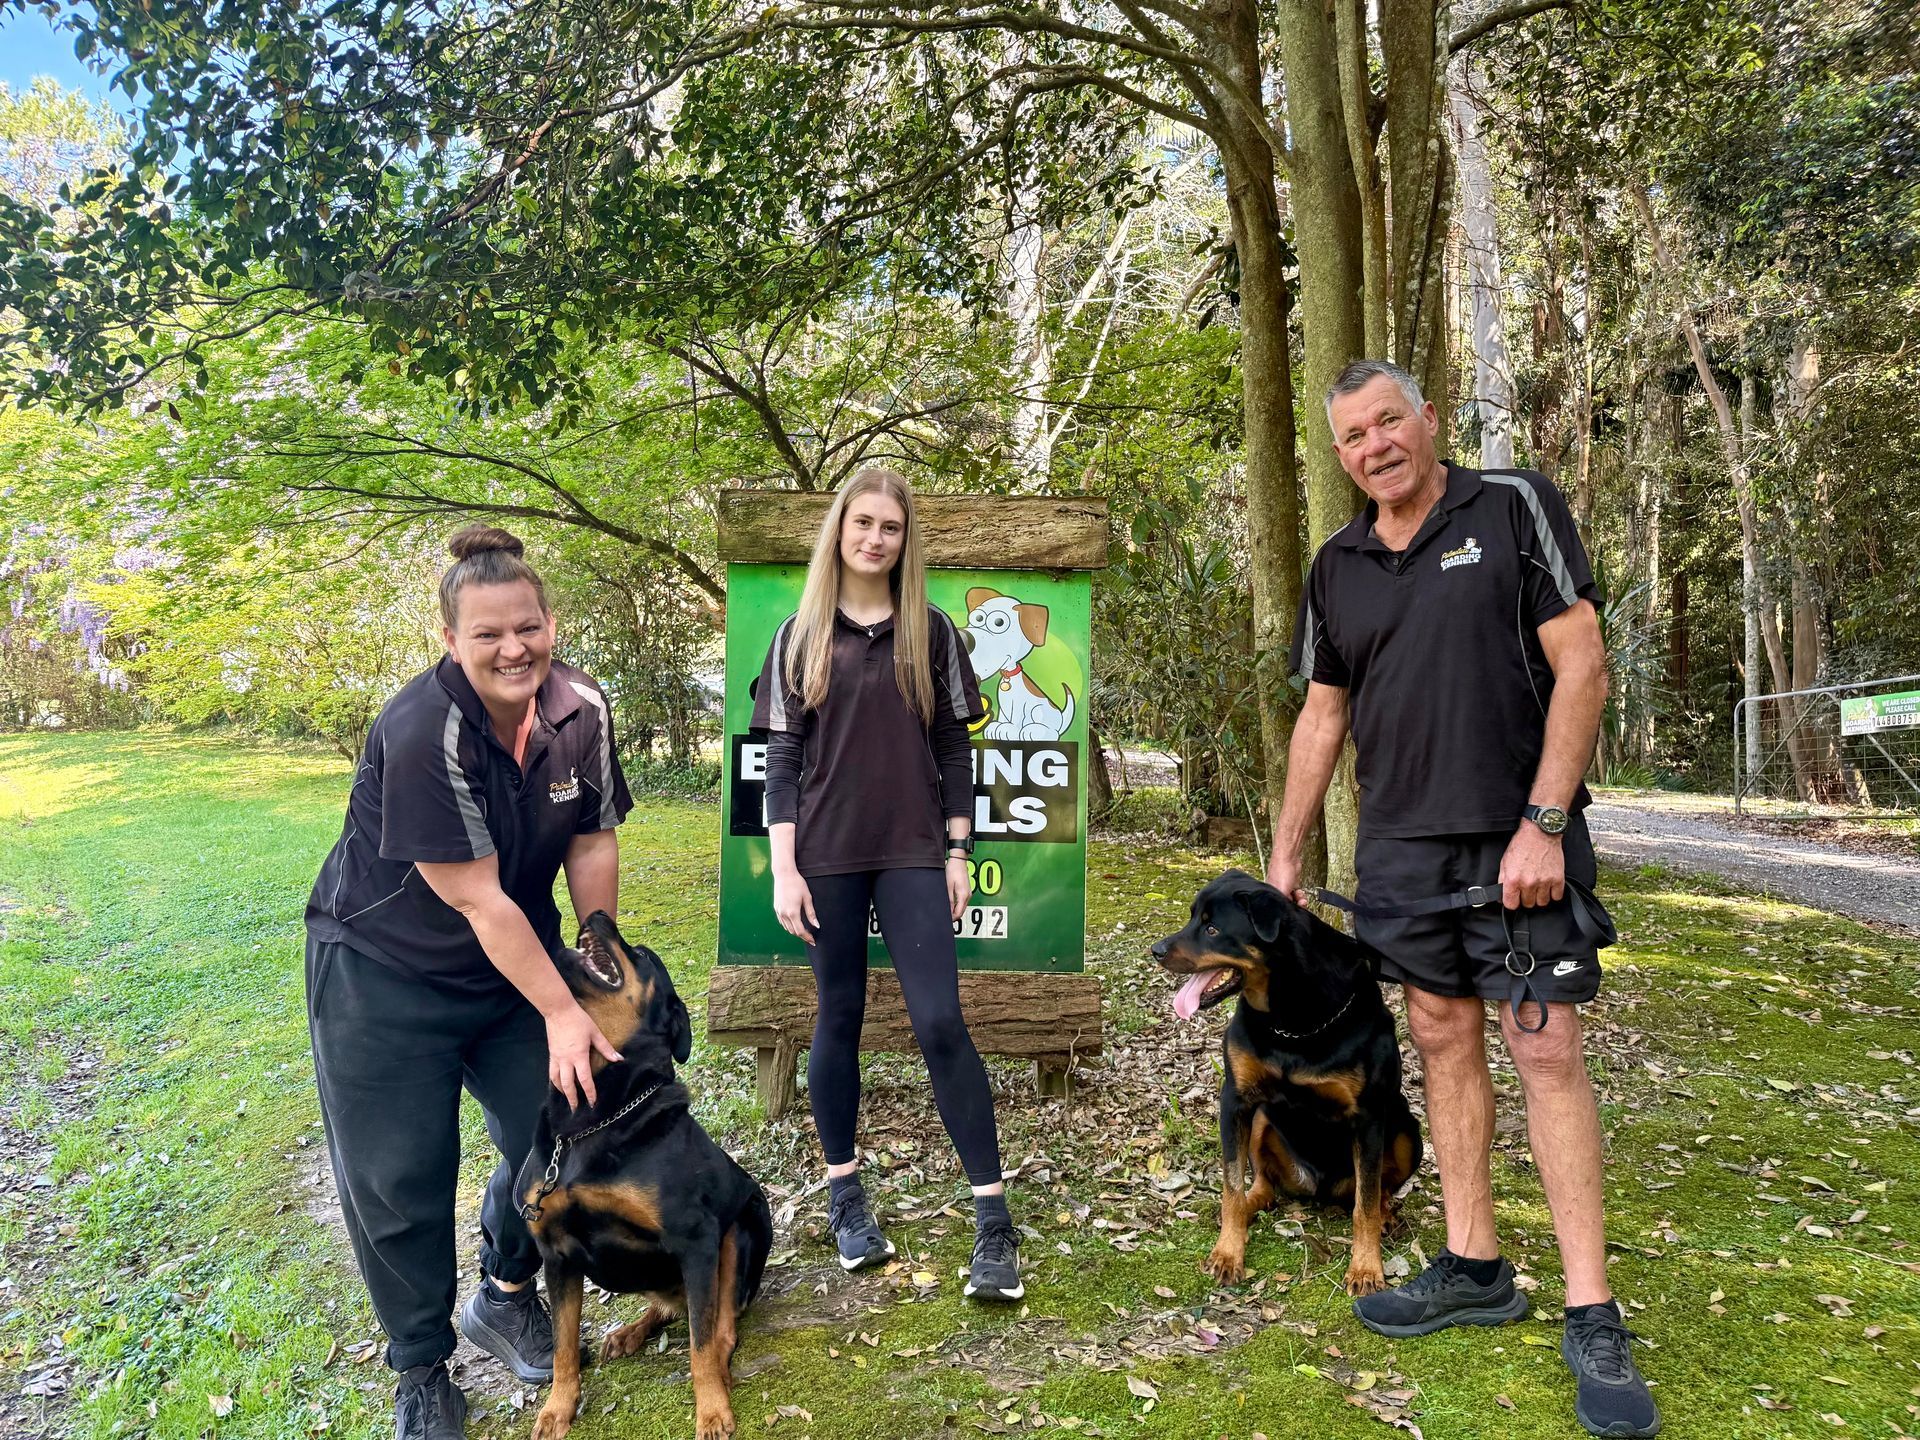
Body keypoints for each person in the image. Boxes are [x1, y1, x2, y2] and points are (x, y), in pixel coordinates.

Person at [1267, 361, 1659, 1439]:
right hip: (1399, 847)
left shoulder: (1512, 504)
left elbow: (1583, 665)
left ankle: (1591, 1307)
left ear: (1428, 419)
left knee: (1545, 1051)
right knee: (1440, 1036)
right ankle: (1475, 1264)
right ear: (1341, 457)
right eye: (1353, 437)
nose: (1375, 446)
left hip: (1514, 837)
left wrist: (1544, 820)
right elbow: (1320, 717)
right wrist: (1287, 852)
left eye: (1389, 421)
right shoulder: (1337, 564)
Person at [305, 526, 633, 1440]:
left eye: (526, 627)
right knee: (399, 1173)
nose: (513, 648)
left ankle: (505, 1289)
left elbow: (593, 837)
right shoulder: (422, 729)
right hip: (384, 974)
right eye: (488, 634)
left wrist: (596, 958)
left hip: (511, 966)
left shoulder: (582, 711)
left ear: (550, 622)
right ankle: (421, 1368)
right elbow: (481, 901)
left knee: (564, 1129)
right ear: (450, 639)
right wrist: (562, 1010)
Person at [750, 467, 1022, 1303]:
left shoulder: (930, 631)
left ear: (907, 541)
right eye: (862, 523)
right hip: (825, 856)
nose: (875, 538)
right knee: (838, 1018)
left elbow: (953, 748)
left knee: (941, 1020)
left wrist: (955, 852)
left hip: (911, 851)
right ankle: (846, 1196)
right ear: (839, 531)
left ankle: (994, 1221)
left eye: (891, 527)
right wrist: (784, 867)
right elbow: (783, 762)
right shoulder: (797, 635)